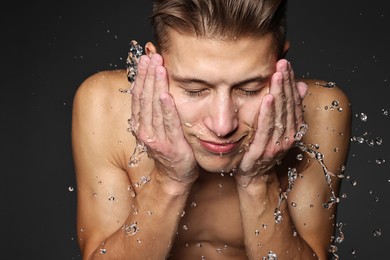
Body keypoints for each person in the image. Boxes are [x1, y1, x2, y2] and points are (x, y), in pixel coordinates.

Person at [71, 0, 352, 259]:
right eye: (194, 90)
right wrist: (170, 181)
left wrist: (259, 180)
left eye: (250, 89)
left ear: (282, 62)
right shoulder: (105, 104)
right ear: (153, 66)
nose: (223, 125)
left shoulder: (323, 110)